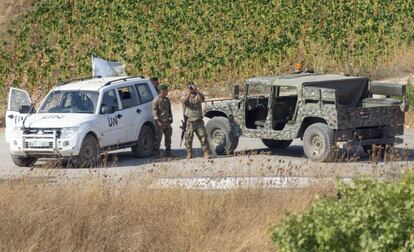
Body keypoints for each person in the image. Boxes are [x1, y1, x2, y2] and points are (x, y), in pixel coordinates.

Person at [180, 82, 210, 159]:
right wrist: (189, 93)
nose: (191, 89)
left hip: (199, 120)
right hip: (189, 121)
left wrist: (196, 91)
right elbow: (184, 102)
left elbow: (201, 100)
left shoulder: (198, 94)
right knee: (188, 139)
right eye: (190, 87)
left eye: (192, 87)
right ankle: (189, 153)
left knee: (203, 137)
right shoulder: (185, 95)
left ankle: (206, 152)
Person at [152, 84, 173, 158]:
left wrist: (171, 118)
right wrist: (158, 122)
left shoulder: (167, 100)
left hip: (167, 122)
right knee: (158, 139)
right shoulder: (156, 100)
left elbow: (169, 110)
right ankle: (157, 153)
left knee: (168, 138)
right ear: (162, 91)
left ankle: (168, 152)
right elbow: (154, 112)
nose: (167, 91)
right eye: (166, 90)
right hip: (160, 123)